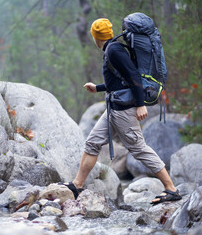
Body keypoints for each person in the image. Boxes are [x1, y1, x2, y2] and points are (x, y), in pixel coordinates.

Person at [61, 18, 182, 205]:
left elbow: (133, 75)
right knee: (92, 143)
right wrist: (98, 88)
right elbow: (119, 81)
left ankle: (171, 189)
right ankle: (77, 185)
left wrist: (141, 104)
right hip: (114, 107)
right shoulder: (112, 49)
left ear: (96, 37)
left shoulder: (114, 50)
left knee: (139, 149)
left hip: (124, 110)